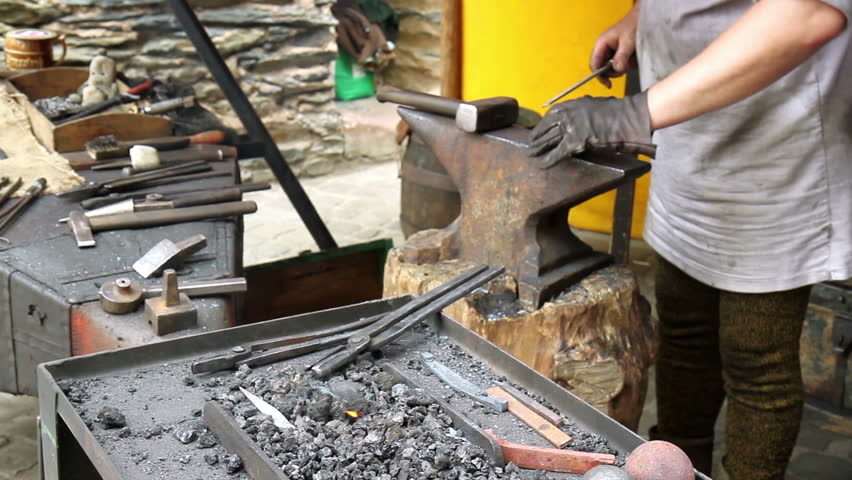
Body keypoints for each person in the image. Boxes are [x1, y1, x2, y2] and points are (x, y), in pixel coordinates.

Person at [529, 1, 851, 479]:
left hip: (776, 158)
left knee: (756, 364)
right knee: (683, 340)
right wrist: (642, 18)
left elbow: (806, 15)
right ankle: (675, 471)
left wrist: (629, 114)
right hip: (685, 144)